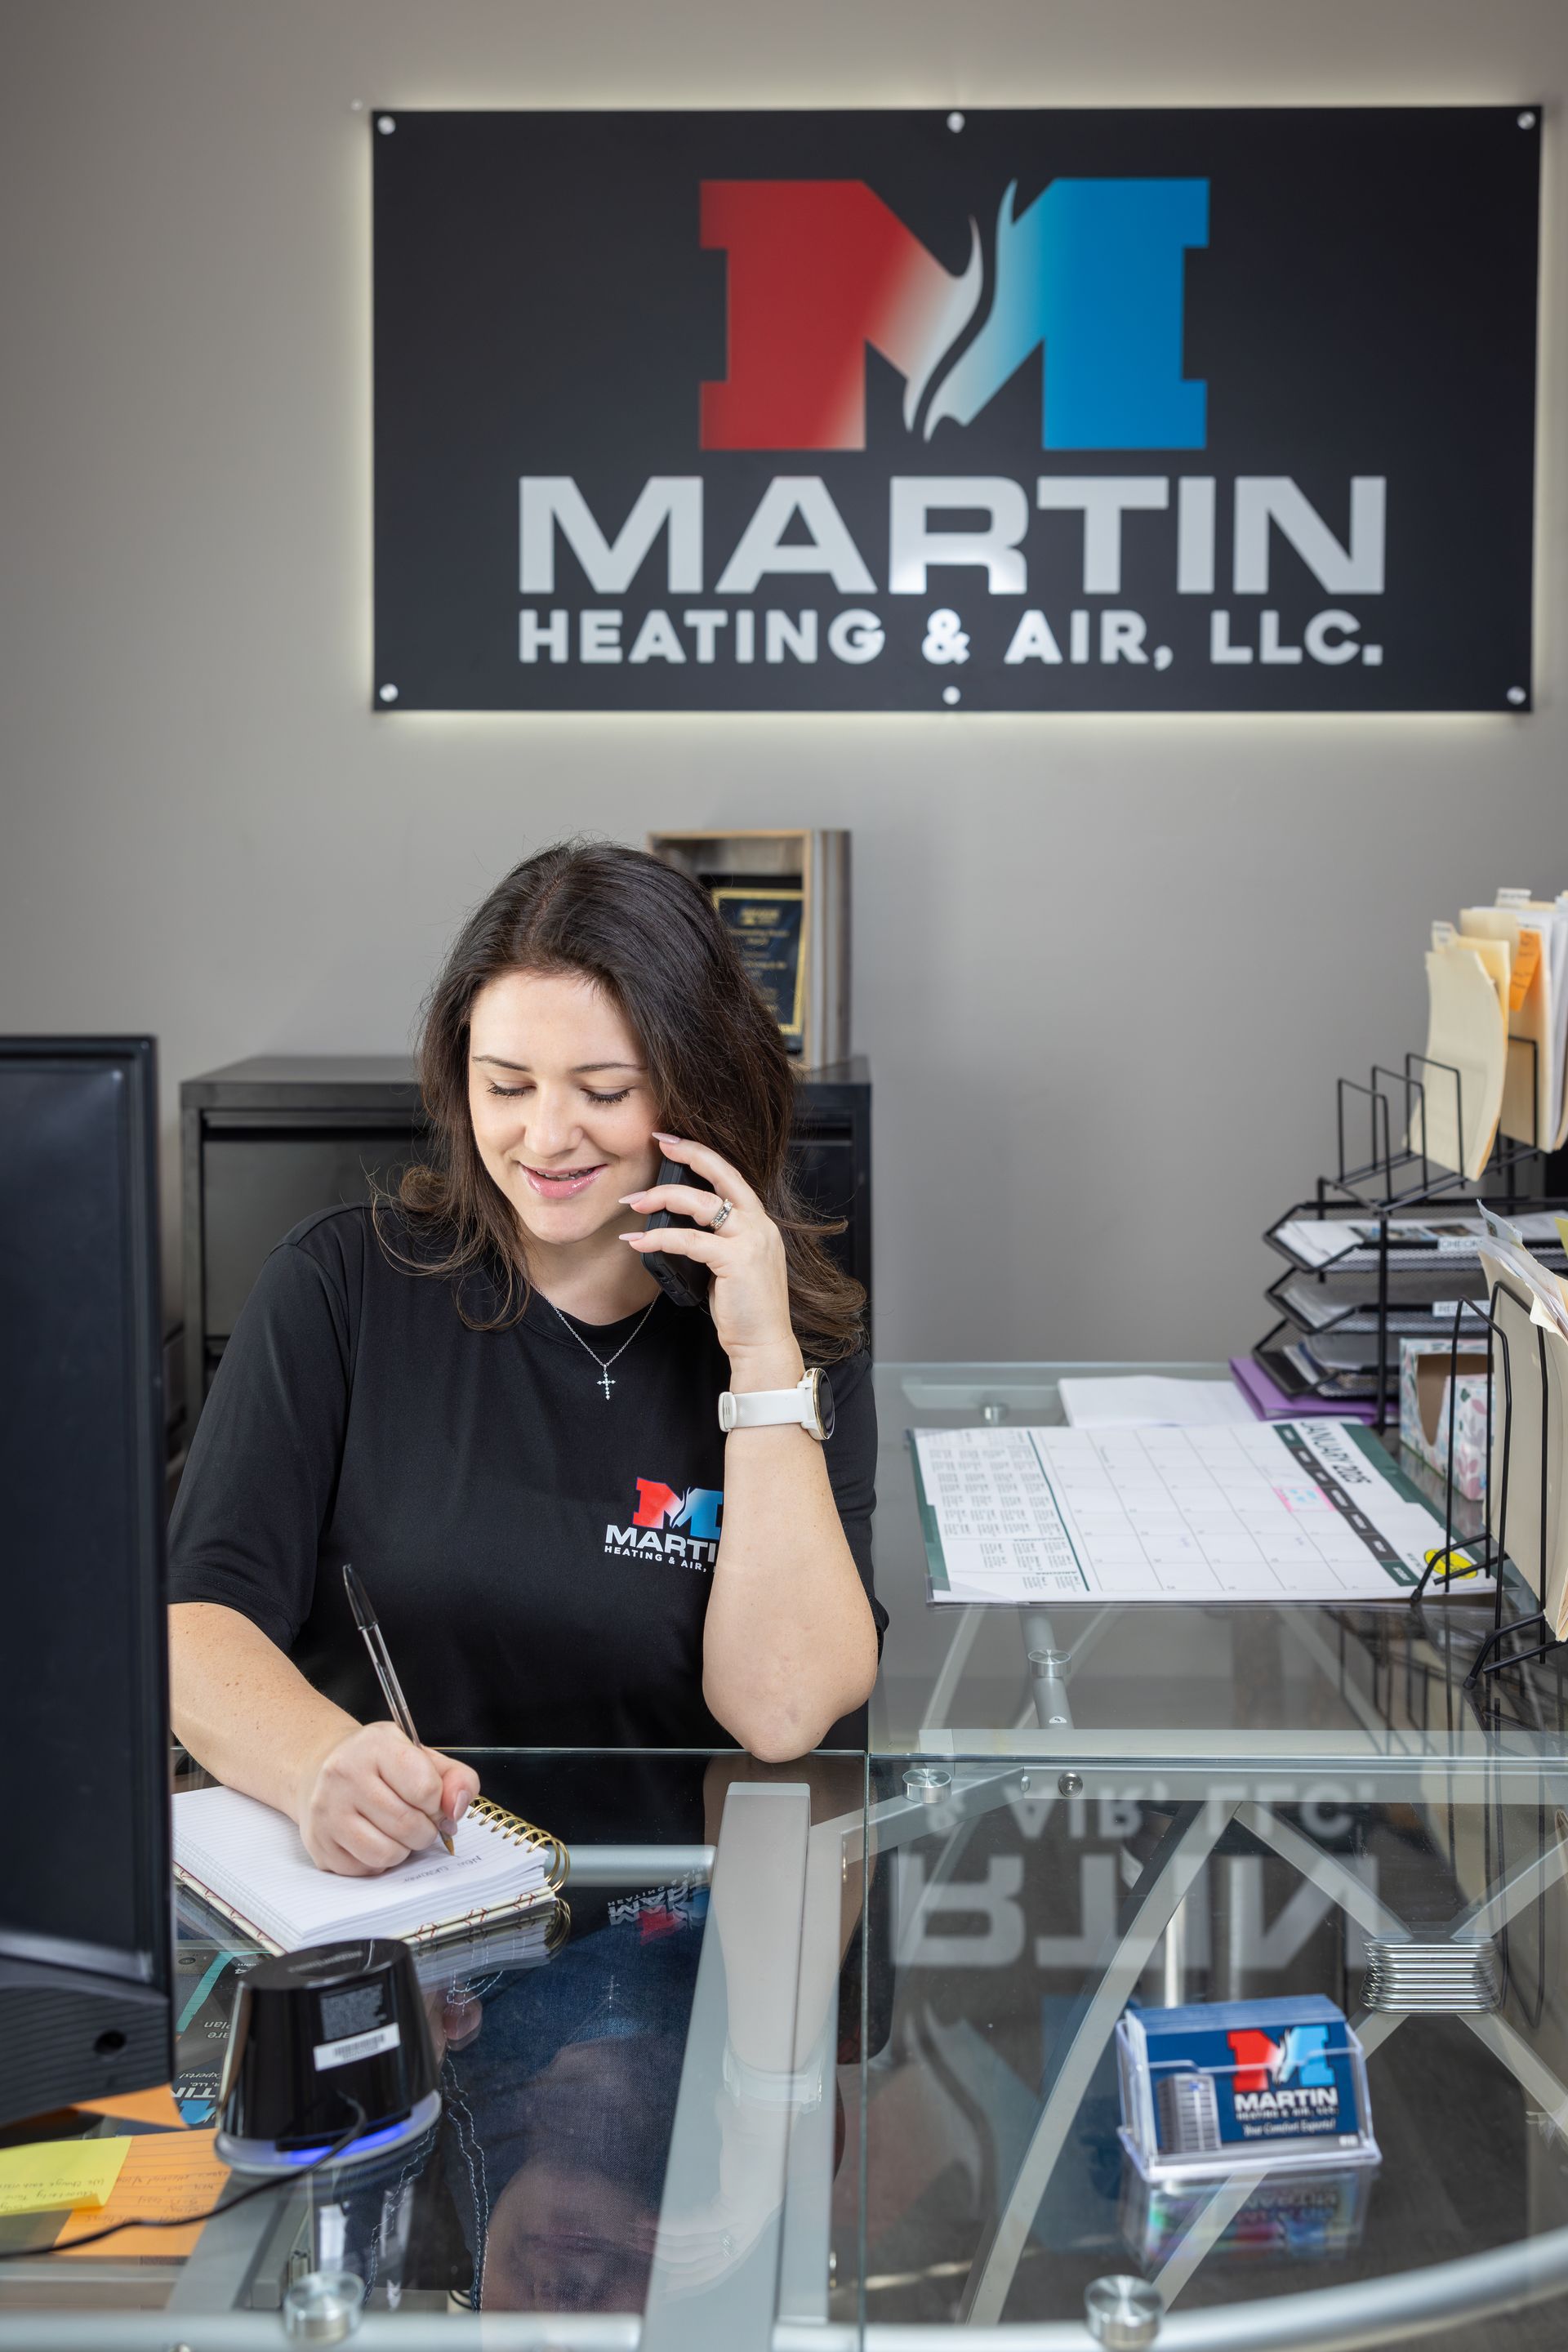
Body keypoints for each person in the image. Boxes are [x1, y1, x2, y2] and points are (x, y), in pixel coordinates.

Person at [168, 840, 883, 1874]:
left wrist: (763, 1362)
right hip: (389, 1895)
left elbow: (782, 1713)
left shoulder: (794, 1342)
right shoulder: (336, 1286)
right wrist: (315, 1761)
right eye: (507, 1085)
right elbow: (195, 1625)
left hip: (654, 1920)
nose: (545, 1138)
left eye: (605, 1091)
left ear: (700, 1089)